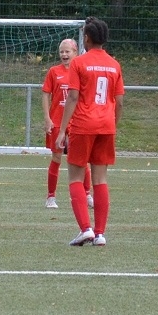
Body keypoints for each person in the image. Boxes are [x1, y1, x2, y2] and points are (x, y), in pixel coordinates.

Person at [56, 17, 124, 247]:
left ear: (86, 38)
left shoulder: (79, 63)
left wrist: (62, 130)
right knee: (100, 179)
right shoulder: (114, 65)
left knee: (75, 178)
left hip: (83, 126)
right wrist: (113, 124)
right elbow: (120, 101)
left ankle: (86, 229)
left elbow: (73, 97)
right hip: (106, 126)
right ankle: (100, 233)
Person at [41, 38, 91, 209]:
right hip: (57, 121)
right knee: (56, 157)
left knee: (82, 159)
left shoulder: (82, 71)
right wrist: (47, 118)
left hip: (77, 121)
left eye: (67, 51)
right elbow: (45, 94)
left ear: (75, 52)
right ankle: (50, 197)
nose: (64, 54)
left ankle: (87, 194)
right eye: (61, 51)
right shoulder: (54, 71)